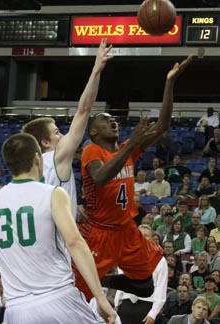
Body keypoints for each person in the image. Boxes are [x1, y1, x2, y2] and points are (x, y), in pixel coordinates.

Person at [74, 55, 193, 301]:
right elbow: (100, 178)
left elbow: (162, 126)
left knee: (144, 286)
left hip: (126, 229)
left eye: (115, 119)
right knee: (76, 294)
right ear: (94, 131)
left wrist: (169, 83)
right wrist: (131, 147)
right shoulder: (92, 150)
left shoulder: (128, 147)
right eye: (107, 120)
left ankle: (100, 279)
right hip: (100, 231)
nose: (113, 122)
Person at [0, 133, 116, 324]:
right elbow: (75, 242)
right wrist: (101, 299)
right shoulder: (52, 193)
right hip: (58, 298)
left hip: (16, 310)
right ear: (38, 159)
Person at [22, 38, 114, 221]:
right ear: (45, 142)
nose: (62, 135)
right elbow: (84, 110)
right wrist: (96, 69)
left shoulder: (24, 171)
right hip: (58, 243)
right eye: (56, 132)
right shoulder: (55, 158)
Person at [116, 224, 168, 324]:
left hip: (147, 305)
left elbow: (161, 288)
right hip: (126, 304)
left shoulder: (160, 260)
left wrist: (153, 313)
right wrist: (116, 305)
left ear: (152, 239)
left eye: (146, 235)